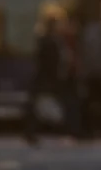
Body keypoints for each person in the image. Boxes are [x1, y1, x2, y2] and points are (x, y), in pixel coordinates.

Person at [24, 15, 64, 146]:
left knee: (37, 107)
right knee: (40, 106)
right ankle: (32, 133)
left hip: (43, 79)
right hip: (46, 79)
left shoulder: (45, 40)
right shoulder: (50, 42)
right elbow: (50, 63)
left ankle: (31, 133)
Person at [80, 13, 101, 138]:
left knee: (93, 102)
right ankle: (98, 128)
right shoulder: (99, 33)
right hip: (97, 74)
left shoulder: (91, 33)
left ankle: (93, 128)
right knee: (97, 102)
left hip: (93, 74)